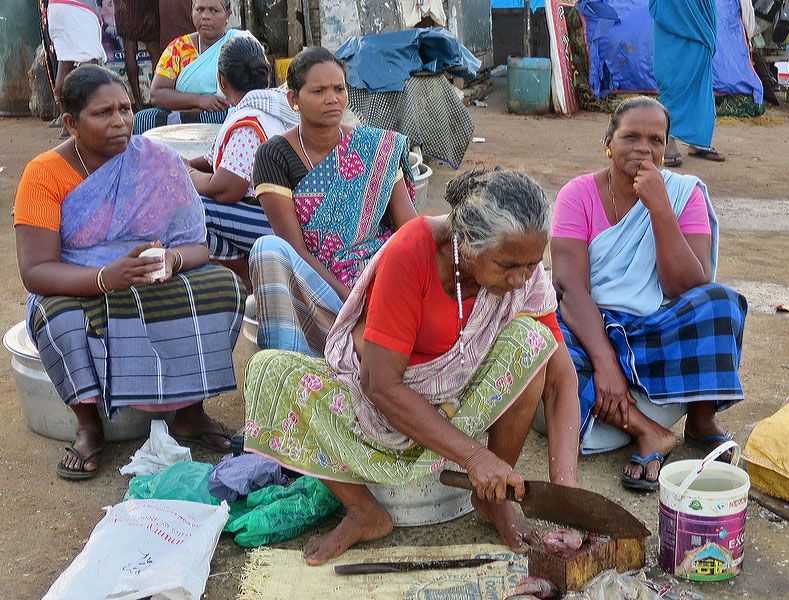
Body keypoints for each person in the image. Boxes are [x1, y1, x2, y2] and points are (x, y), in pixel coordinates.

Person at [244, 168, 581, 565]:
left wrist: (567, 493)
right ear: (468, 245)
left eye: (531, 264)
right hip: (376, 407)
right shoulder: (411, 254)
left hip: (456, 403)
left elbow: (560, 381)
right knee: (268, 371)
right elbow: (380, 384)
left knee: (534, 341)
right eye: (510, 266)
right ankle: (364, 509)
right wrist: (475, 458)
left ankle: (492, 501)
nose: (523, 278)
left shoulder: (522, 270)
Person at [14, 65, 246, 480]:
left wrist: (171, 261)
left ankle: (190, 413)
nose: (120, 122)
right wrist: (106, 278)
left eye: (125, 108)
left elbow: (198, 246)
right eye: (103, 113)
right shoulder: (43, 174)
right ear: (71, 123)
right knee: (56, 316)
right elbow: (36, 271)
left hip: (148, 280)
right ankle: (89, 427)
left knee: (223, 288)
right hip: (82, 284)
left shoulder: (157, 160)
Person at [551, 97, 747, 491]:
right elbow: (570, 289)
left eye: (655, 140)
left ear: (666, 147)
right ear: (608, 142)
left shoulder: (682, 194)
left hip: (656, 325)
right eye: (631, 137)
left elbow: (687, 286)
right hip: (593, 325)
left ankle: (701, 417)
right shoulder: (577, 195)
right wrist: (605, 362)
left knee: (721, 304)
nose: (644, 148)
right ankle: (648, 431)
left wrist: (659, 208)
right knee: (544, 340)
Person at [249, 46, 417, 356]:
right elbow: (295, 250)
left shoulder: (374, 146)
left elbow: (409, 228)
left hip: (376, 272)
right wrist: (350, 301)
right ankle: (294, 366)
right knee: (267, 250)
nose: (332, 98)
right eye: (319, 91)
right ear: (293, 100)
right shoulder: (275, 156)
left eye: (339, 89)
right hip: (318, 283)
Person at [186, 37, 299, 289]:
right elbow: (214, 158)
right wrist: (184, 163)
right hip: (283, 215)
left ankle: (250, 284)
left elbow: (227, 189)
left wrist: (188, 174)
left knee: (192, 208)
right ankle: (249, 278)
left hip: (279, 224)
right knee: (206, 225)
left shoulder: (251, 121)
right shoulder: (271, 104)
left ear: (222, 81)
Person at [132, 0, 243, 134]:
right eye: (200, 10)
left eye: (214, 10)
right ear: (191, 12)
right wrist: (200, 101)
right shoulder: (178, 48)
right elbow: (156, 94)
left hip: (222, 117)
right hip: (183, 117)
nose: (205, 16)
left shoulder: (240, 43)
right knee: (143, 119)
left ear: (227, 16)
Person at [650, 0, 726, 167]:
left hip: (701, 9)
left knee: (700, 76)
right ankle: (667, 138)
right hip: (673, 8)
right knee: (673, 79)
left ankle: (698, 141)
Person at [46, 0, 106, 135]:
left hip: (56, 8)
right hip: (80, 8)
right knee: (89, 62)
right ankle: (91, 120)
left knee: (64, 63)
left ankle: (67, 124)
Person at [112, 0, 162, 111]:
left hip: (126, 6)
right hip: (148, 7)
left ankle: (138, 103)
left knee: (129, 50)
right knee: (154, 52)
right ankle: (158, 99)